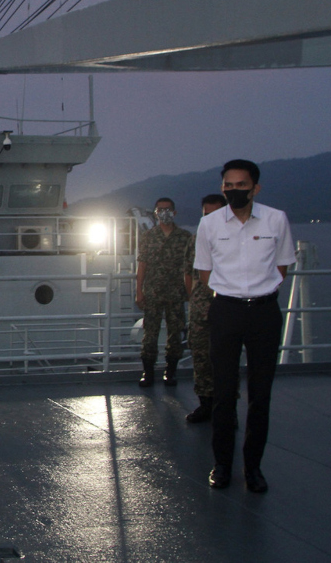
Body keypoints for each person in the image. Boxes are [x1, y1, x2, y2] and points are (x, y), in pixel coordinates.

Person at [194, 159, 295, 493]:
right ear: (222, 187)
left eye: (241, 185)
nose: (234, 190)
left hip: (264, 313)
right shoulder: (209, 224)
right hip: (226, 311)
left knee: (260, 394)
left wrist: (257, 290)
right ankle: (222, 465)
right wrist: (233, 291)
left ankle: (253, 468)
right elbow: (205, 272)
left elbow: (282, 266)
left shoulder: (276, 219)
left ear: (255, 188)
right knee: (223, 393)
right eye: (229, 185)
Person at [135, 197, 192, 387]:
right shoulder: (149, 236)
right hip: (153, 292)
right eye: (160, 209)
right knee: (149, 334)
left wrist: (190, 293)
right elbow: (142, 265)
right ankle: (148, 372)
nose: (164, 212)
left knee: (175, 334)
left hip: (176, 293)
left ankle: (171, 372)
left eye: (167, 209)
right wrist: (139, 291)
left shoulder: (185, 237)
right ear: (155, 213)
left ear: (174, 213)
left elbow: (189, 268)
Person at [183, 194, 227, 423]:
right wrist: (194, 300)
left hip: (227, 306)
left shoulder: (235, 239)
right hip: (200, 308)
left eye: (215, 214)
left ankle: (227, 408)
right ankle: (205, 404)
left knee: (226, 358)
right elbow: (188, 274)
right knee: (200, 356)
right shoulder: (195, 240)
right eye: (206, 215)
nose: (210, 219)